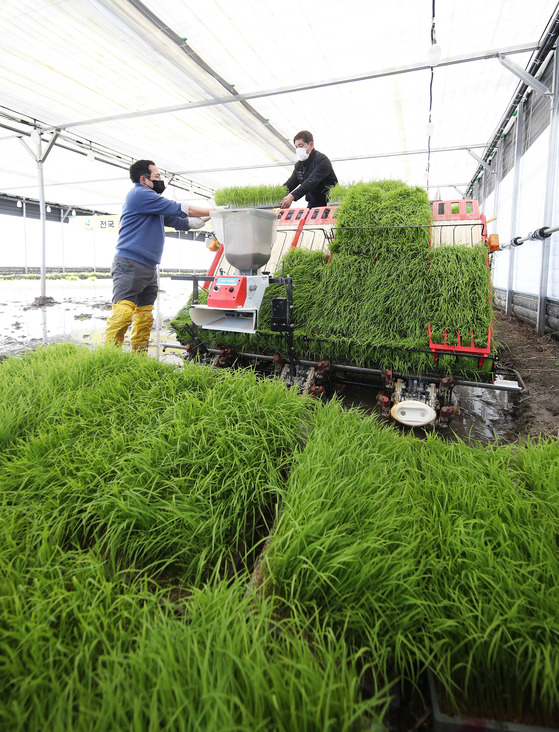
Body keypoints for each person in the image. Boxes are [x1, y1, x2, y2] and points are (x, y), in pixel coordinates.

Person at [104, 159, 211, 351]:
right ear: (144, 179)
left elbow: (188, 223)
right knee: (123, 313)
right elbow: (182, 208)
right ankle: (108, 358)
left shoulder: (154, 206)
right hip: (130, 263)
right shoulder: (140, 194)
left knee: (144, 315)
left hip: (149, 267)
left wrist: (217, 215)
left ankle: (139, 357)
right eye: (158, 176)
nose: (161, 180)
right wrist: (216, 209)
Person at [280, 131, 338, 209]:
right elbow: (290, 183)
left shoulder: (322, 161)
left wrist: (292, 196)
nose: (298, 149)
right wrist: (277, 195)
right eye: (296, 147)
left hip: (330, 202)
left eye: (301, 145)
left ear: (311, 145)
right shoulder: (299, 165)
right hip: (313, 203)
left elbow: (311, 182)